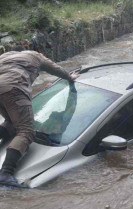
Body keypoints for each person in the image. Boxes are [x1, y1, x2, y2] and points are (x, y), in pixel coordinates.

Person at [0, 50, 80, 186]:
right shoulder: (37, 56)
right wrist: (69, 77)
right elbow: (56, 69)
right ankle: (6, 173)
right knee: (26, 131)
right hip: (13, 87)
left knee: (11, 123)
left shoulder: (8, 55)